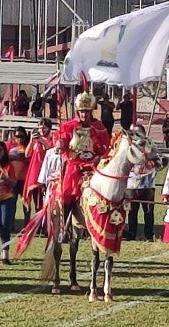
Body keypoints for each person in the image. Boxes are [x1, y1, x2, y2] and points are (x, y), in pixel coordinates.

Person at [58, 92, 111, 229]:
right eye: (82, 111)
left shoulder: (99, 127)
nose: (84, 114)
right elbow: (62, 140)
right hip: (75, 164)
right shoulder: (69, 126)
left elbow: (105, 148)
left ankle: (105, 219)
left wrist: (99, 158)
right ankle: (65, 222)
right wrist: (60, 143)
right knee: (67, 190)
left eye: (87, 111)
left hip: (94, 165)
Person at [24, 118, 54, 213]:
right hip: (36, 175)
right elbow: (27, 154)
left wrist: (42, 141)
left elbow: (51, 152)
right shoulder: (35, 140)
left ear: (49, 128)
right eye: (39, 128)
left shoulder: (53, 139)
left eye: (44, 128)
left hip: (47, 175)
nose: (41, 130)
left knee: (47, 204)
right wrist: (31, 141)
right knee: (37, 205)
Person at [125, 158, 156, 241]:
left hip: (148, 184)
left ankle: (148, 235)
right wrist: (133, 168)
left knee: (148, 210)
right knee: (132, 211)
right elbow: (123, 164)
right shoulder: (131, 149)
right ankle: (132, 233)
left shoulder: (151, 150)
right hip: (132, 185)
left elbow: (160, 163)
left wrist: (149, 166)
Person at [9, 128, 30, 226]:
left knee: (26, 204)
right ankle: (11, 224)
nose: (20, 139)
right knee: (11, 205)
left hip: (25, 181)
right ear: (14, 137)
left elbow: (31, 159)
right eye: (17, 136)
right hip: (13, 180)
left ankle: (27, 225)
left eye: (22, 136)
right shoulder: (9, 146)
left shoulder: (28, 147)